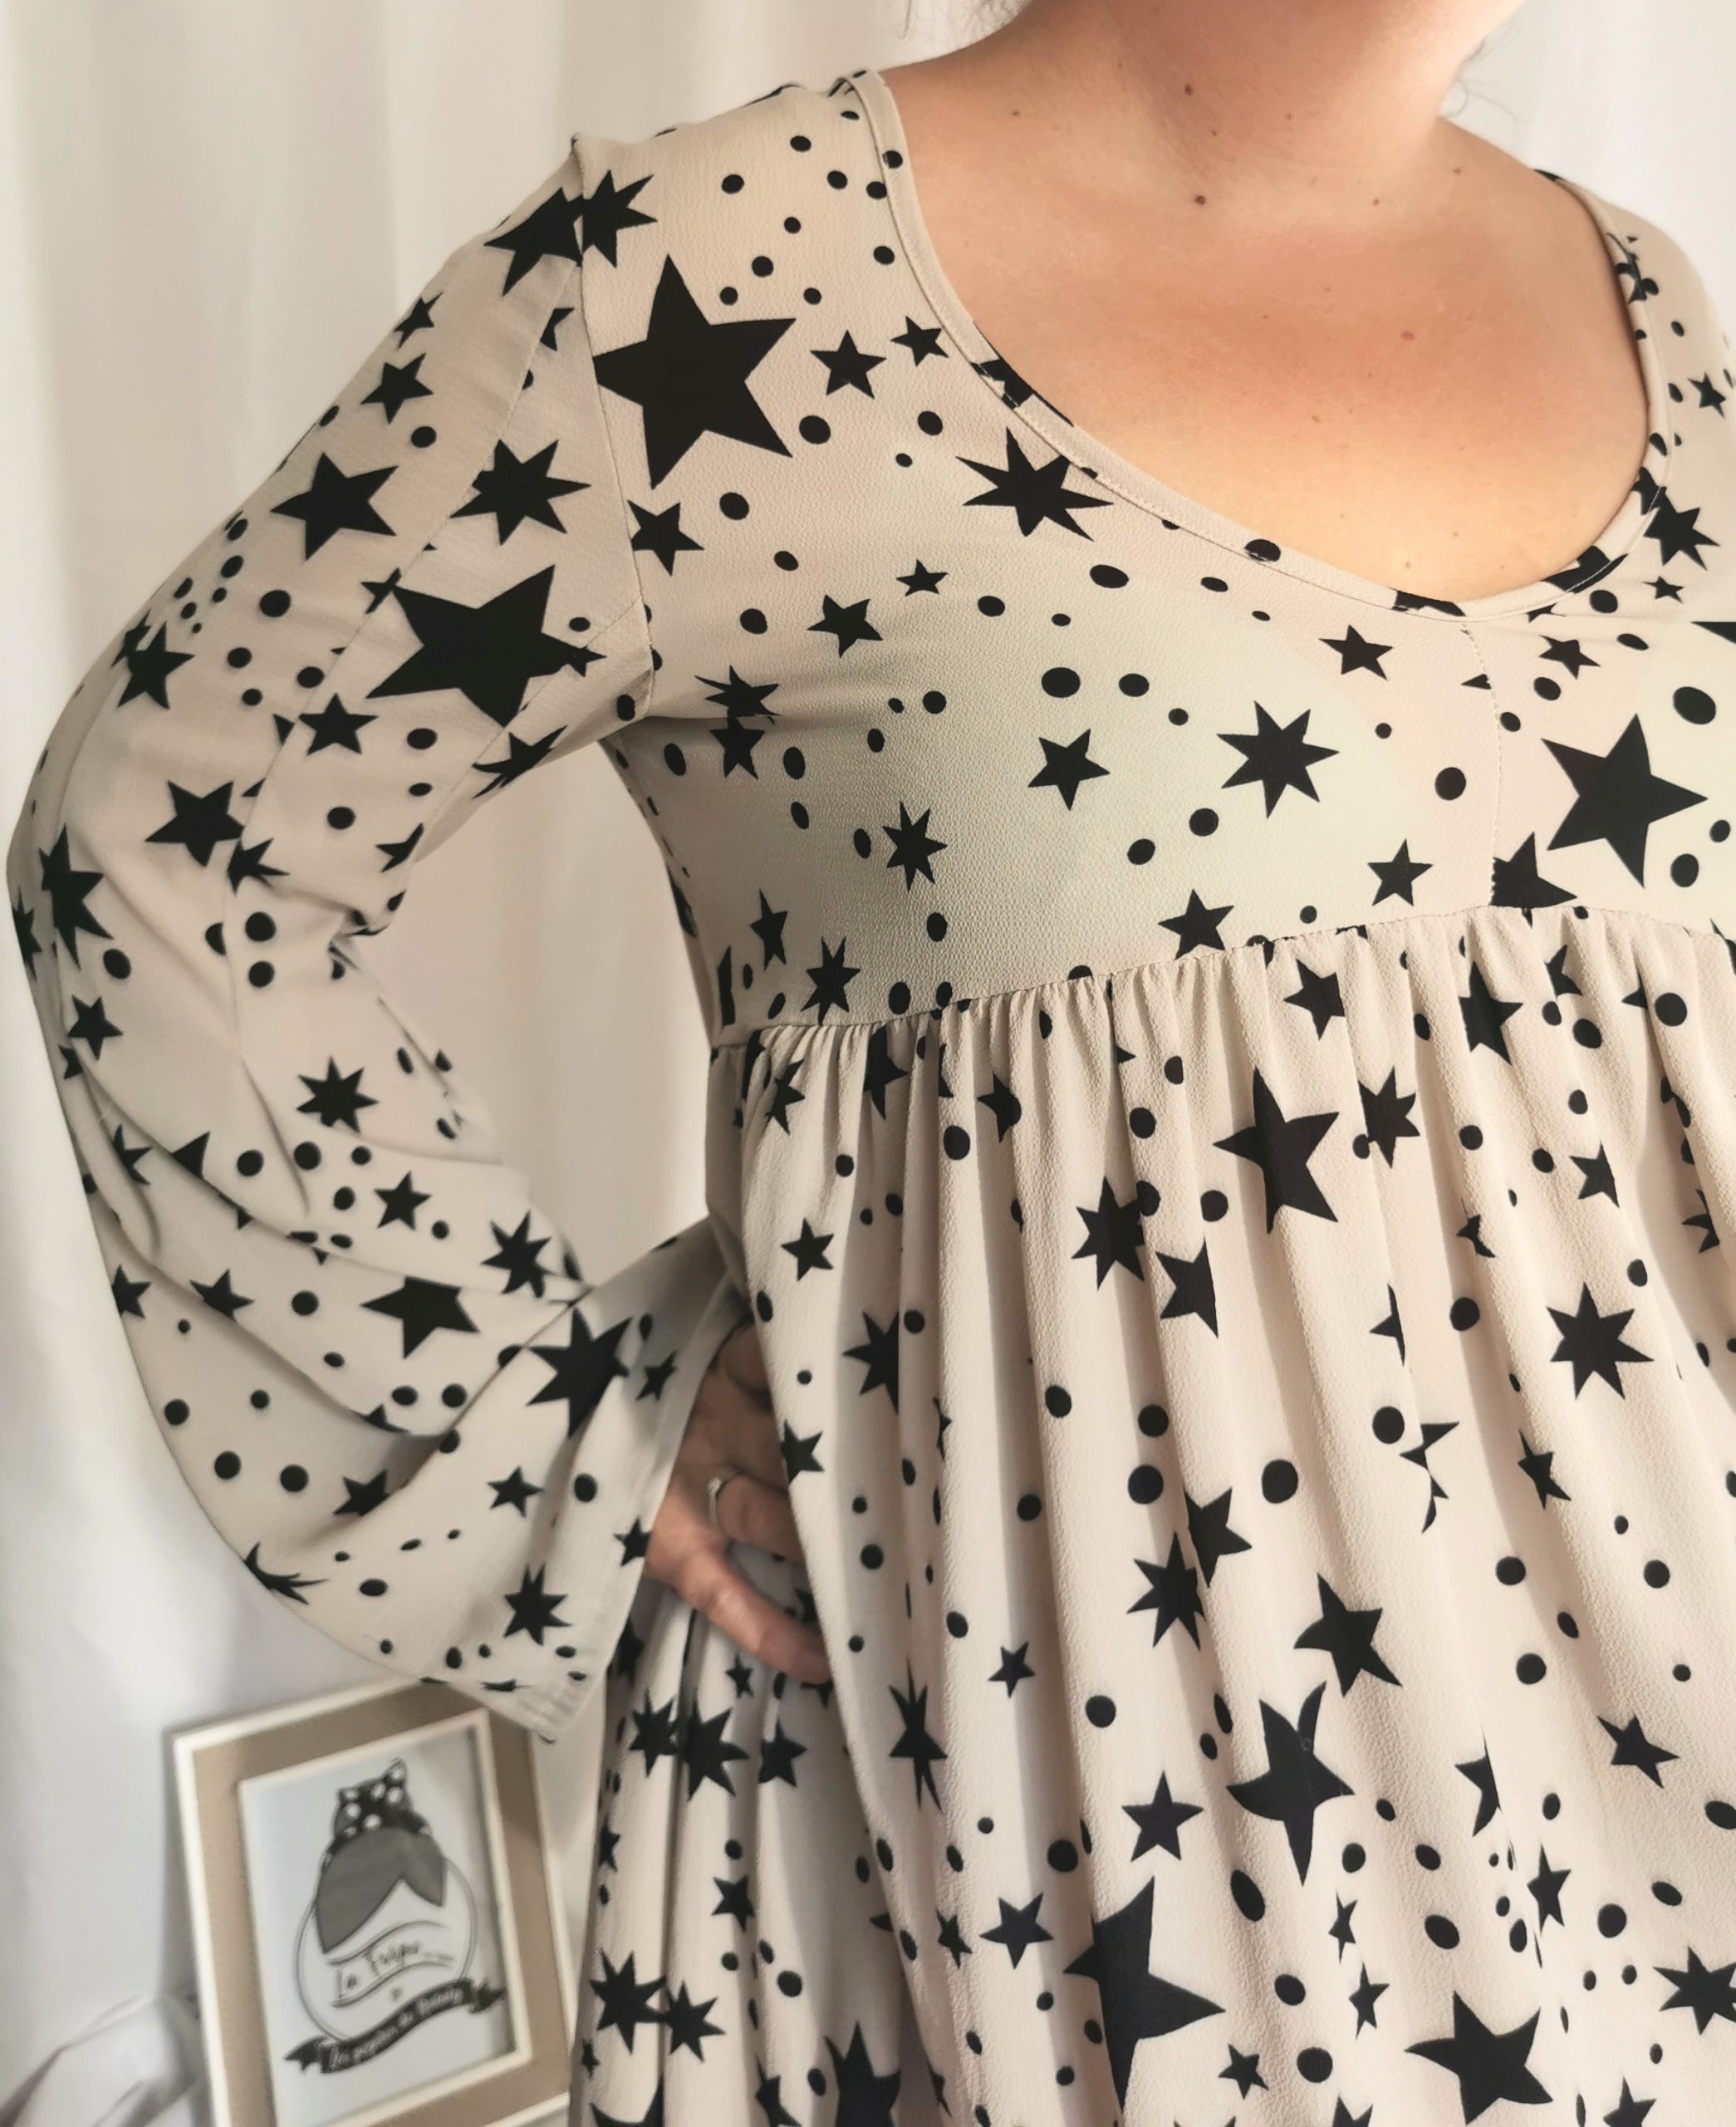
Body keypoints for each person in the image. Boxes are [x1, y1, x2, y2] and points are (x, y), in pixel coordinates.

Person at [10, 0, 1736, 2118]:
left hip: (1668, 1829)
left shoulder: (1654, 304)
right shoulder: (700, 286)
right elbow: (165, 839)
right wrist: (546, 1416)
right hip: (1120, 1886)